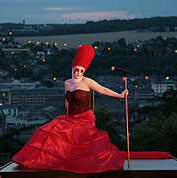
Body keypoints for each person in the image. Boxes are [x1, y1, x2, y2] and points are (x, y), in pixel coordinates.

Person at [11, 44, 129, 173]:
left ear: (84, 72)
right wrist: (65, 117)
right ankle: (40, 161)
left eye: (81, 71)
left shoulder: (87, 81)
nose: (78, 73)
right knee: (47, 131)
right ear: (73, 69)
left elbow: (103, 89)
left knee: (79, 141)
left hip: (84, 118)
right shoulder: (67, 83)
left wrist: (119, 95)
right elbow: (67, 101)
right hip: (70, 117)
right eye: (76, 70)